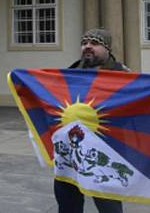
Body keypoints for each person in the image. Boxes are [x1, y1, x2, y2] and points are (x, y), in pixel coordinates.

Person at [54, 28, 128, 213]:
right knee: (67, 204)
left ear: (108, 48)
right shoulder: (70, 73)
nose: (87, 47)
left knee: (108, 206)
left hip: (105, 153)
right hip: (70, 151)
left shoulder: (123, 75)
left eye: (94, 43)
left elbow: (143, 100)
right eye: (84, 43)